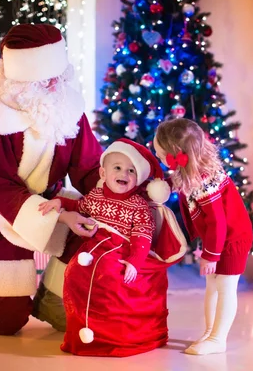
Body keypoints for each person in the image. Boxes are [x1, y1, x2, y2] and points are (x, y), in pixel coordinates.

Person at [0, 23, 102, 336]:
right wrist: (60, 214)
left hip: (47, 201)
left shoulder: (67, 104)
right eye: (42, 77)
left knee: (97, 219)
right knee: (6, 322)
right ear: (19, 76)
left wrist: (120, 197)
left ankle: (52, 297)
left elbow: (89, 166)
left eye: (56, 74)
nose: (53, 84)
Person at [41, 138, 187, 357]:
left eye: (131, 171)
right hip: (94, 246)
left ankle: (111, 336)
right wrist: (61, 203)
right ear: (103, 174)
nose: (124, 174)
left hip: (122, 249)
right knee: (75, 273)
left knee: (109, 275)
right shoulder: (97, 196)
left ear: (138, 180)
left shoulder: (137, 204)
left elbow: (142, 235)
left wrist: (134, 262)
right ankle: (84, 328)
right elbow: (80, 206)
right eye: (117, 168)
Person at [153, 118, 253, 355]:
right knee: (212, 287)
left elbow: (218, 222)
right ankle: (209, 333)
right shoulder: (187, 172)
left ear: (174, 154)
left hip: (232, 239)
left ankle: (219, 338)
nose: (158, 157)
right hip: (218, 239)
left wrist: (211, 255)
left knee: (225, 287)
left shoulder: (205, 179)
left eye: (159, 153)